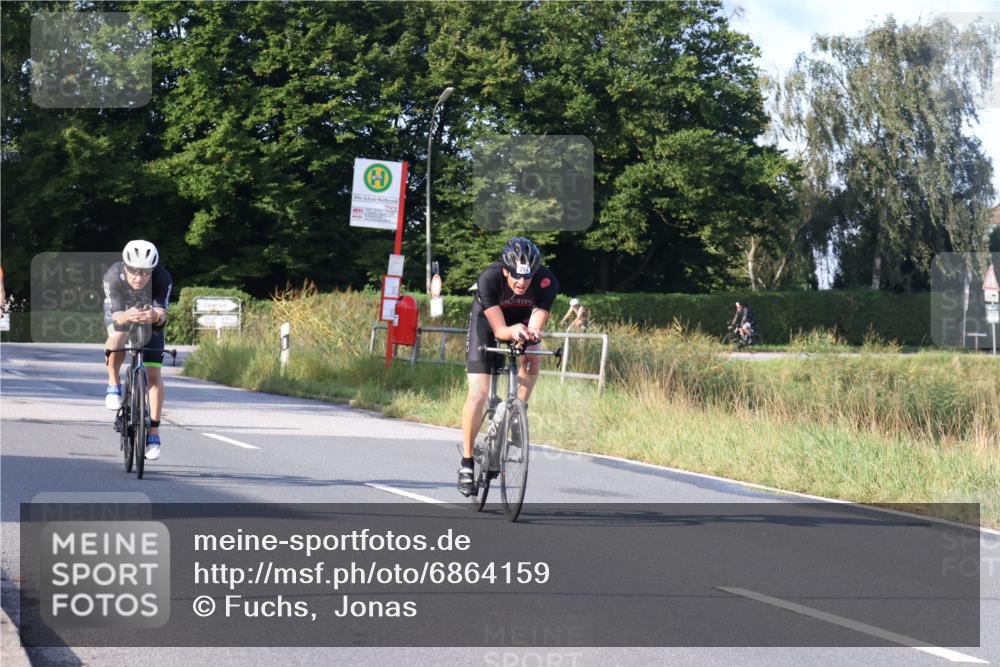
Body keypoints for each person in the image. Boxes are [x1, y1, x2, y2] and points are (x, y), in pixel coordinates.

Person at [458, 237, 559, 496]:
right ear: (505, 270)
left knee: (533, 357)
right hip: (488, 323)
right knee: (479, 393)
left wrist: (532, 334)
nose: (521, 282)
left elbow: (537, 320)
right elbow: (500, 329)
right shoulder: (489, 279)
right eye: (515, 276)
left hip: (522, 321)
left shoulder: (547, 282)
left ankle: (517, 412)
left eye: (527, 277)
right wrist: (510, 331)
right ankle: (467, 462)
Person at [102, 240, 173, 461]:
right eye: (133, 271)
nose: (139, 277)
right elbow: (115, 314)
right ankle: (113, 383)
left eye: (145, 272)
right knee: (119, 334)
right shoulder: (113, 275)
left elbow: (163, 315)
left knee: (153, 376)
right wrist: (127, 315)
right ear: (125, 267)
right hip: (121, 312)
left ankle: (153, 431)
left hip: (149, 317)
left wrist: (154, 316)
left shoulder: (163, 277)